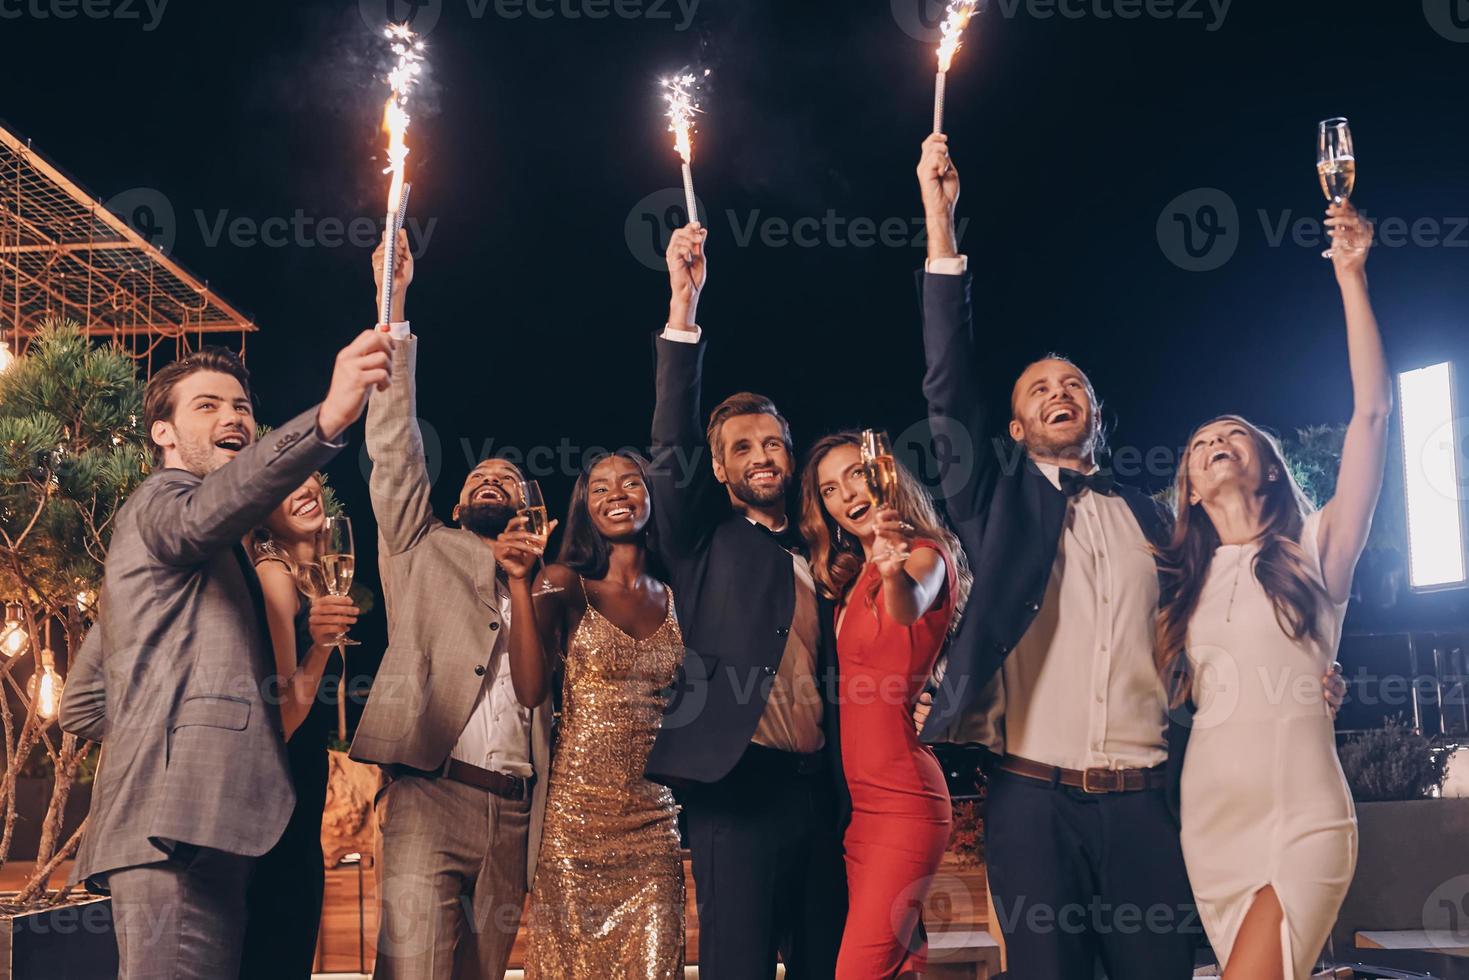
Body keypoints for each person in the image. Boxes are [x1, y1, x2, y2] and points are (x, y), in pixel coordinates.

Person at [911, 134, 1345, 978]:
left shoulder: (1162, 521)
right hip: (1030, 803)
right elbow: (945, 384)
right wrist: (940, 226)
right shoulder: (993, 499)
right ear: (1013, 428)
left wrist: (1315, 669)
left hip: (1145, 804)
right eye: (1037, 389)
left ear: (1097, 415)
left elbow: (1247, 600)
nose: (1056, 394)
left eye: (1071, 384)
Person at [58, 329, 395, 980]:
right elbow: (201, 512)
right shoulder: (162, 505)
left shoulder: (183, 565)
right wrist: (329, 417)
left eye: (240, 406)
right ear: (162, 433)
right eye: (206, 406)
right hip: (175, 832)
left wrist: (160, 722)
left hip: (196, 829)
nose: (232, 417)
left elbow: (81, 703)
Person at [1161, 203, 1383, 980]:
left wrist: (1350, 278)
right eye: (1199, 444)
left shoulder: (1316, 549)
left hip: (1304, 816)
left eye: (1233, 436)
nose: (1216, 444)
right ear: (1187, 486)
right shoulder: (1177, 584)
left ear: (1266, 462)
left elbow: (1369, 415)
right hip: (1211, 822)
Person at [643, 221, 848, 979]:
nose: (761, 456)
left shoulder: (824, 552)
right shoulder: (701, 541)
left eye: (772, 444)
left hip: (820, 793)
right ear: (721, 470)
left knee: (826, 964)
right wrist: (684, 309)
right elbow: (669, 441)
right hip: (737, 793)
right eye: (741, 448)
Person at [349, 230, 554, 980]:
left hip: (516, 812)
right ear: (459, 503)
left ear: (537, 511)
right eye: (478, 481)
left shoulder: (553, 588)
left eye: (508, 480)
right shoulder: (420, 544)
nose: (490, 482)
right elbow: (395, 447)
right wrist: (394, 306)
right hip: (430, 799)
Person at [508, 451, 686, 979]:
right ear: (585, 505)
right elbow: (531, 689)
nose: (617, 495)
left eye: (631, 483)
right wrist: (520, 582)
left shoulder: (679, 594)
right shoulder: (561, 582)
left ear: (652, 497)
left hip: (655, 820)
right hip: (575, 824)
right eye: (600, 488)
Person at [800, 433, 971, 978]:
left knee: (857, 969)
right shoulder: (849, 579)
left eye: (854, 473)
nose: (844, 493)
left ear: (885, 473)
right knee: (896, 967)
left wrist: (894, 571)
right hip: (858, 812)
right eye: (828, 488)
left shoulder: (925, 554)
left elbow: (909, 605)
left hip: (905, 803)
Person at [240, 476, 360, 979]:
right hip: (278, 807)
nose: (303, 485)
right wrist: (322, 647)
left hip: (297, 801)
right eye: (281, 483)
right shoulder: (275, 575)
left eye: (306, 472)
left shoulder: (308, 576)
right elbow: (283, 717)